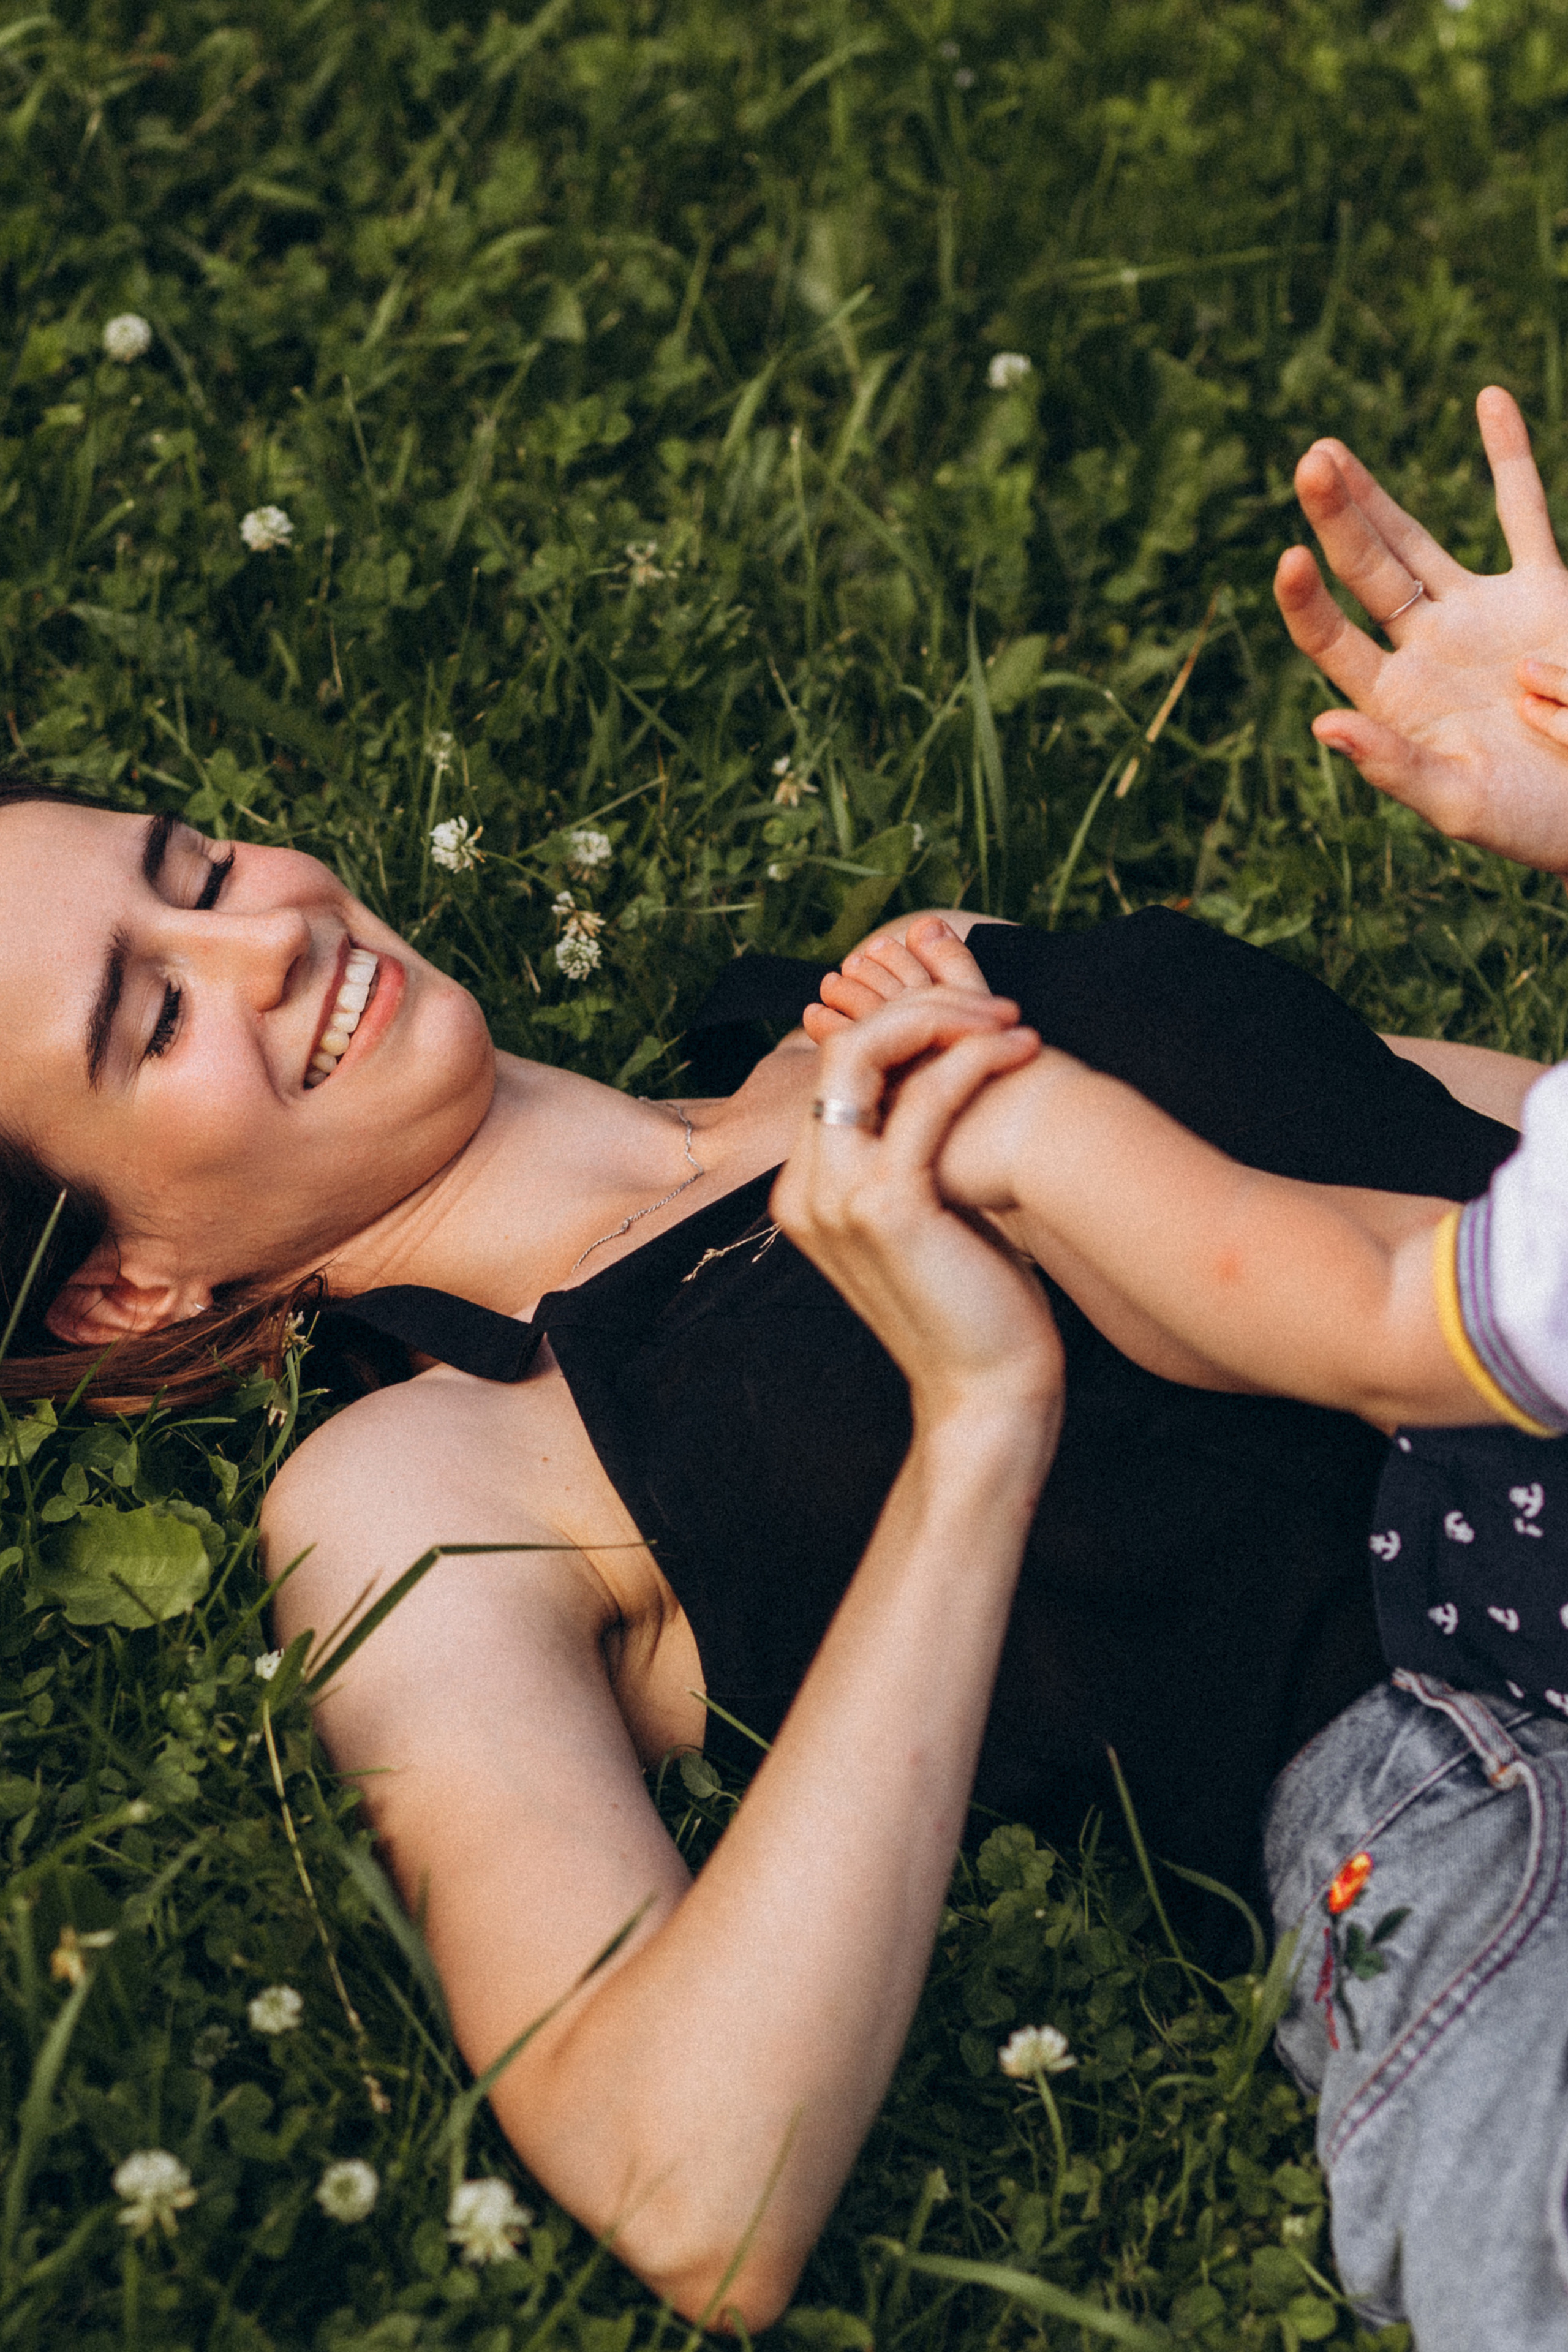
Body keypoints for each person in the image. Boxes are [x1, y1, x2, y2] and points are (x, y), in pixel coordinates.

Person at [0, 385, 1554, 2343]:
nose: (273, 939)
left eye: (200, 870)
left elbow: (1518, 1205)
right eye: (152, 1020)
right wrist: (972, 1427)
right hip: (1484, 1791)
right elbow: (688, 2177)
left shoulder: (894, 987)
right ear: (115, 1294)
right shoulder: (433, 1484)